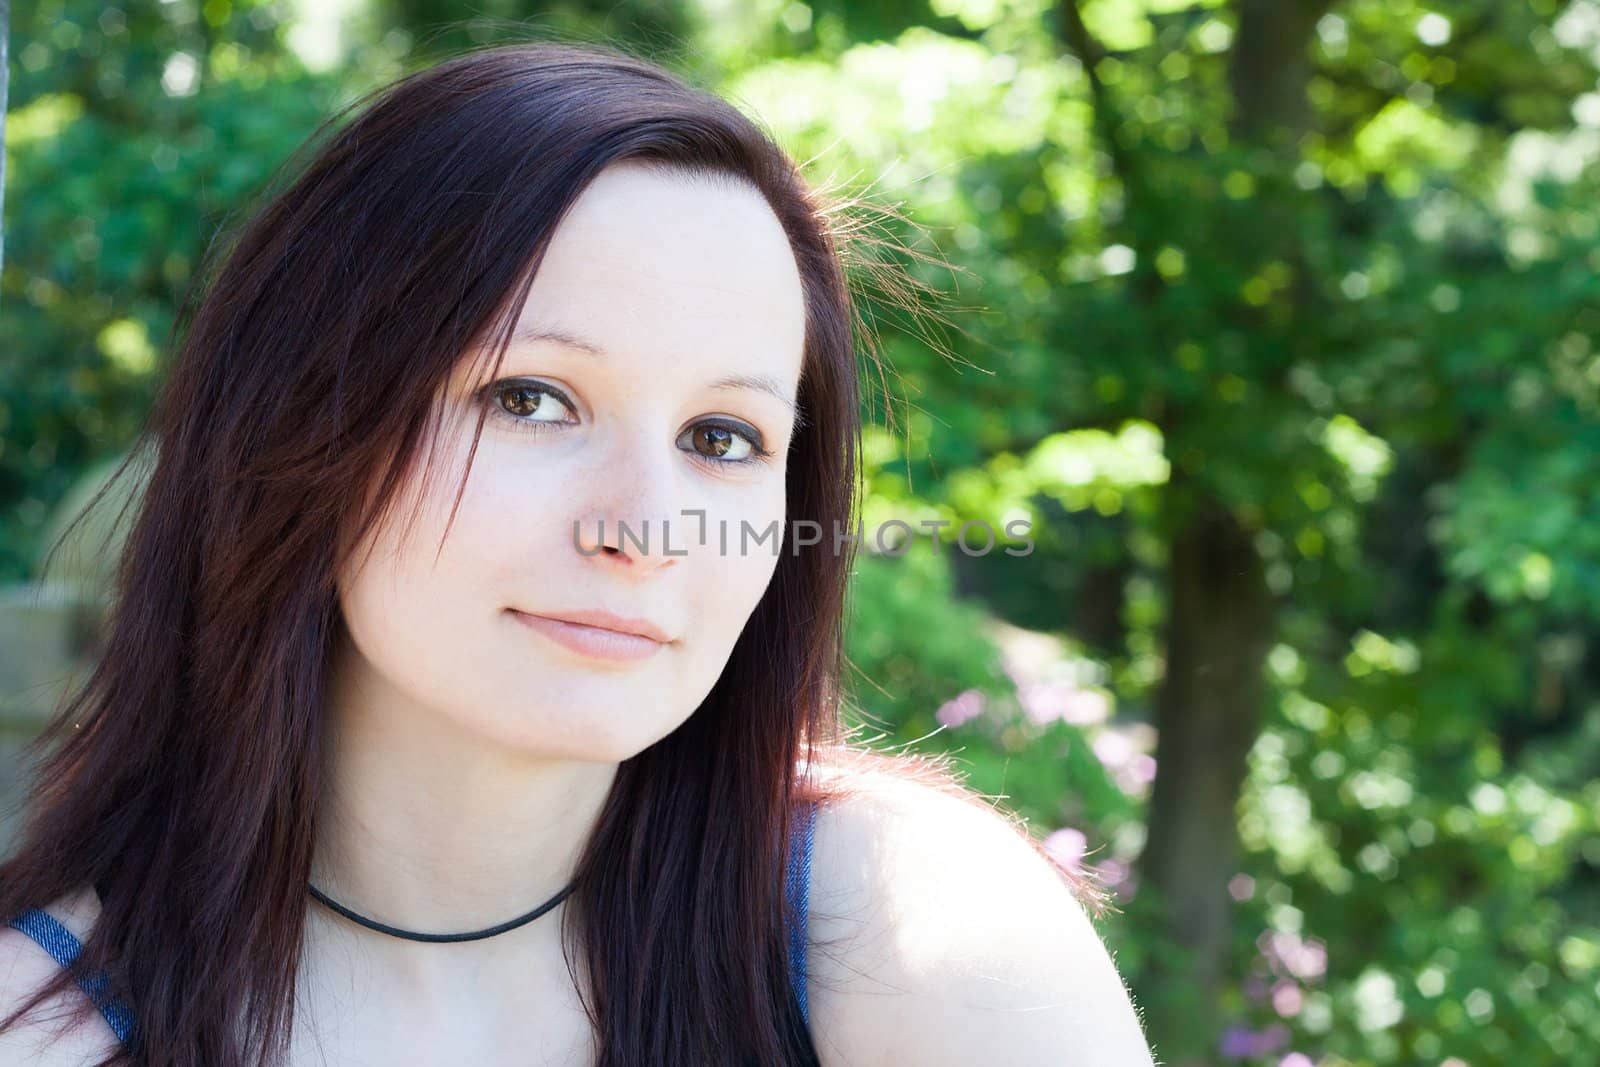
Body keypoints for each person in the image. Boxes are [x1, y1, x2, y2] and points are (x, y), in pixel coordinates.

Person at [0, 40, 1155, 1066]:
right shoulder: (39, 1025)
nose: (646, 526)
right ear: (302, 424)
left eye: (723, 436)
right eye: (531, 398)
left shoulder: (913, 936)